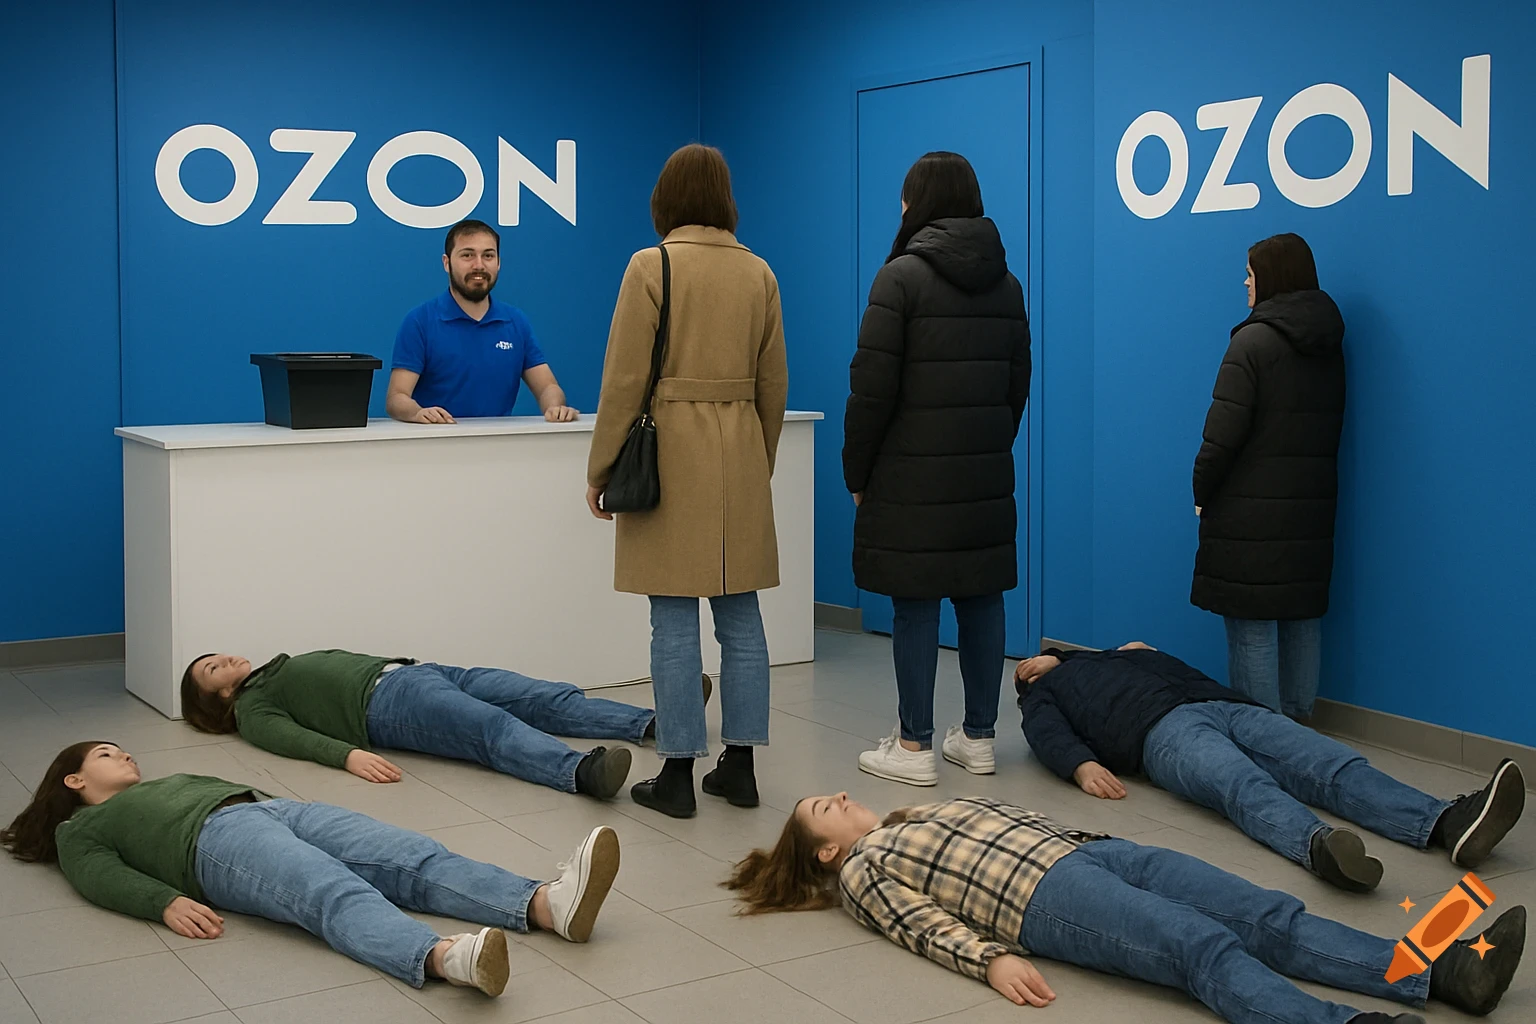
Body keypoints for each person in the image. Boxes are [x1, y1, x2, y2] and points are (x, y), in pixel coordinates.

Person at [725, 792, 1526, 1023]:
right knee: (1202, 948)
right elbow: (922, 927)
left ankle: (1442, 969)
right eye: (818, 809)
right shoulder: (866, 871)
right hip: (1043, 899)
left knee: (1263, 913)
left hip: (1093, 852)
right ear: (824, 850)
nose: (833, 796)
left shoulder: (910, 815)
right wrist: (991, 957)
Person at [0, 743, 622, 997]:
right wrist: (161, 900)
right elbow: (95, 878)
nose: (124, 752)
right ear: (75, 780)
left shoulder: (163, 782)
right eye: (107, 753)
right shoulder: (79, 829)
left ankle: (546, 905)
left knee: (409, 855)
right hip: (213, 847)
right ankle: (442, 957)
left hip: (269, 810)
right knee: (330, 892)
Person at [585, 144, 788, 819]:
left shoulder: (652, 265)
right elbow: (773, 385)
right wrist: (761, 462)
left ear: (665, 199)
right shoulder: (759, 272)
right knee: (743, 620)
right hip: (741, 455)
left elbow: (623, 381)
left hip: (671, 452)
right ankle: (744, 767)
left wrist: (602, 468)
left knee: (672, 622)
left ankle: (676, 773)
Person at [1015, 643, 1525, 890]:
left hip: (1226, 704)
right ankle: (1320, 848)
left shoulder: (1114, 654)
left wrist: (1080, 653)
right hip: (1159, 734)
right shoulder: (1044, 695)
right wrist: (1081, 765)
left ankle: (1444, 820)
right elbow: (1046, 735)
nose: (1029, 665)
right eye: (1024, 669)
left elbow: (1152, 654)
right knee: (1239, 783)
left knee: (1329, 761)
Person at [841, 151, 1031, 786]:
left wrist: (857, 472)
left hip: (909, 474)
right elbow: (1017, 384)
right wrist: (987, 442)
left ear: (917, 203)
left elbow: (871, 391)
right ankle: (979, 738)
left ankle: (914, 744)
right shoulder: (1007, 286)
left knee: (914, 602)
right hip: (982, 470)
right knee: (982, 596)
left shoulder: (900, 278)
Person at [180, 649, 708, 800]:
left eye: (216, 656)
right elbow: (288, 738)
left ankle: (652, 723)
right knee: (489, 728)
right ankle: (580, 773)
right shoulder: (252, 709)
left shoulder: (274, 668)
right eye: (212, 669)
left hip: (418, 672)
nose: (223, 659)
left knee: (540, 696)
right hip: (388, 706)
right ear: (218, 696)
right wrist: (348, 755)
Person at [1193, 232, 1346, 719]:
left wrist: (1201, 491)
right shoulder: (1329, 345)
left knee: (1253, 621)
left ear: (1271, 278)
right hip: (1311, 506)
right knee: (1301, 613)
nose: (1245, 282)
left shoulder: (1253, 341)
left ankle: (1267, 740)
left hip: (1249, 512)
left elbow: (1221, 436)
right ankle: (1299, 729)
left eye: (1251, 273)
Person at [387, 219, 579, 424]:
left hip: (497, 448)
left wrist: (554, 407)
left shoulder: (515, 322)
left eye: (488, 255)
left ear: (498, 263)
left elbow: (547, 387)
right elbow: (397, 397)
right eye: (467, 255)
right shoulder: (420, 321)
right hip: (434, 445)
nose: (478, 265)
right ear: (446, 262)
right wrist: (417, 413)